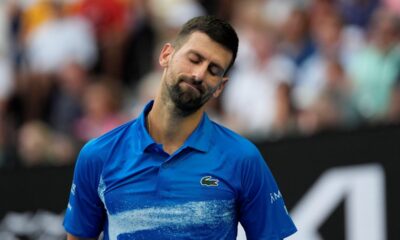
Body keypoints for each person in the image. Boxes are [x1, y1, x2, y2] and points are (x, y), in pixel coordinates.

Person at [63, 15, 297, 240]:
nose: (199, 74)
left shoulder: (243, 158)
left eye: (213, 70)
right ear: (166, 55)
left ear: (220, 87)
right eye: (194, 59)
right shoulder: (97, 156)